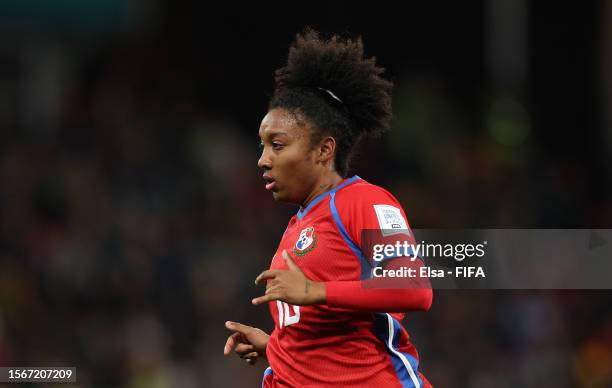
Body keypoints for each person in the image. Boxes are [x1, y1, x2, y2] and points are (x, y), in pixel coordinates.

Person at [223, 28, 433, 387]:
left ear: (324, 150)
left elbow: (414, 287)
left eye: (277, 145)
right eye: (262, 146)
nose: (262, 160)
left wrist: (315, 291)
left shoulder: (362, 201)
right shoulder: (298, 225)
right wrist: (275, 346)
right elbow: (333, 346)